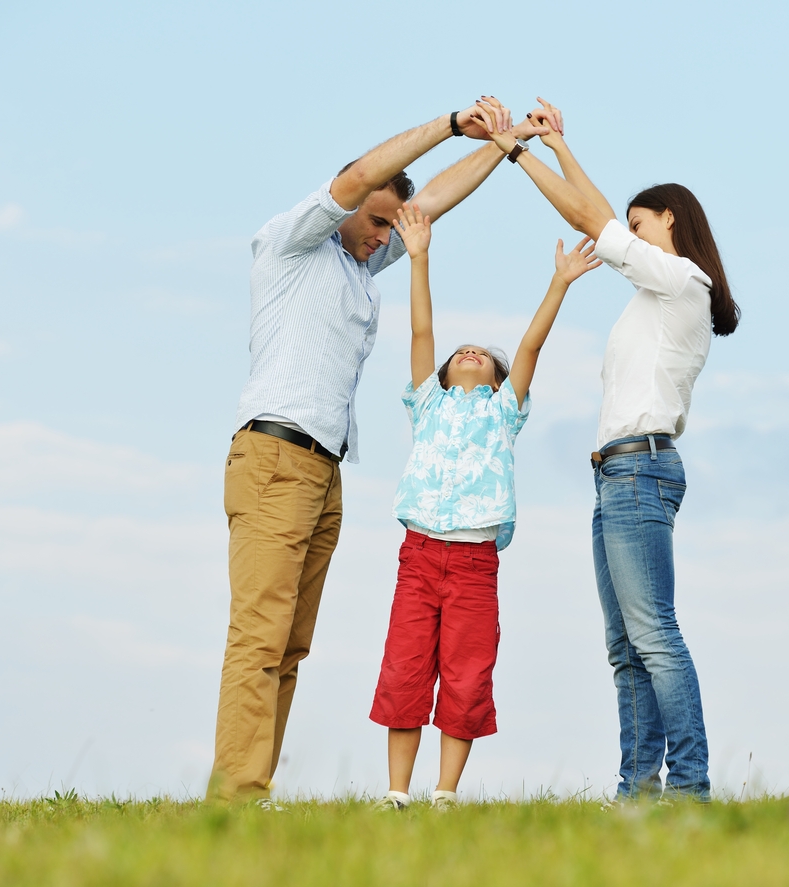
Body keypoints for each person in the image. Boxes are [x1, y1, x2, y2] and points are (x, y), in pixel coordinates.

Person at [208, 99, 557, 803]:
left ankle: (252, 792)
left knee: (289, 644)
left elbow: (427, 202)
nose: (382, 237)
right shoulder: (295, 241)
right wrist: (453, 122)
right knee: (259, 633)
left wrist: (507, 143)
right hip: (274, 458)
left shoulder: (358, 266)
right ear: (342, 204)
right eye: (374, 221)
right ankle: (235, 796)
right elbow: (372, 171)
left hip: (322, 470)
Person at [475, 97, 740, 801]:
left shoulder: (683, 281)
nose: (630, 232)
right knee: (626, 649)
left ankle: (687, 787)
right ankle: (637, 790)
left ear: (670, 222)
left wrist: (521, 151)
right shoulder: (652, 296)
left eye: (642, 222)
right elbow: (599, 214)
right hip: (616, 474)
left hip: (640, 469)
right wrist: (557, 145)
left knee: (654, 636)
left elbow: (591, 219)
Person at [369, 202, 601, 809]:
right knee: (405, 669)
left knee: (467, 676)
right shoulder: (430, 405)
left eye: (483, 354)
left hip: (474, 565)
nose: (470, 352)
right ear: (443, 375)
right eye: (461, 352)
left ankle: (444, 792)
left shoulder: (503, 412)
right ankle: (397, 793)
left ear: (499, 380)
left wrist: (558, 282)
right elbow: (422, 332)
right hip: (419, 557)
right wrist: (418, 257)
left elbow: (530, 346)